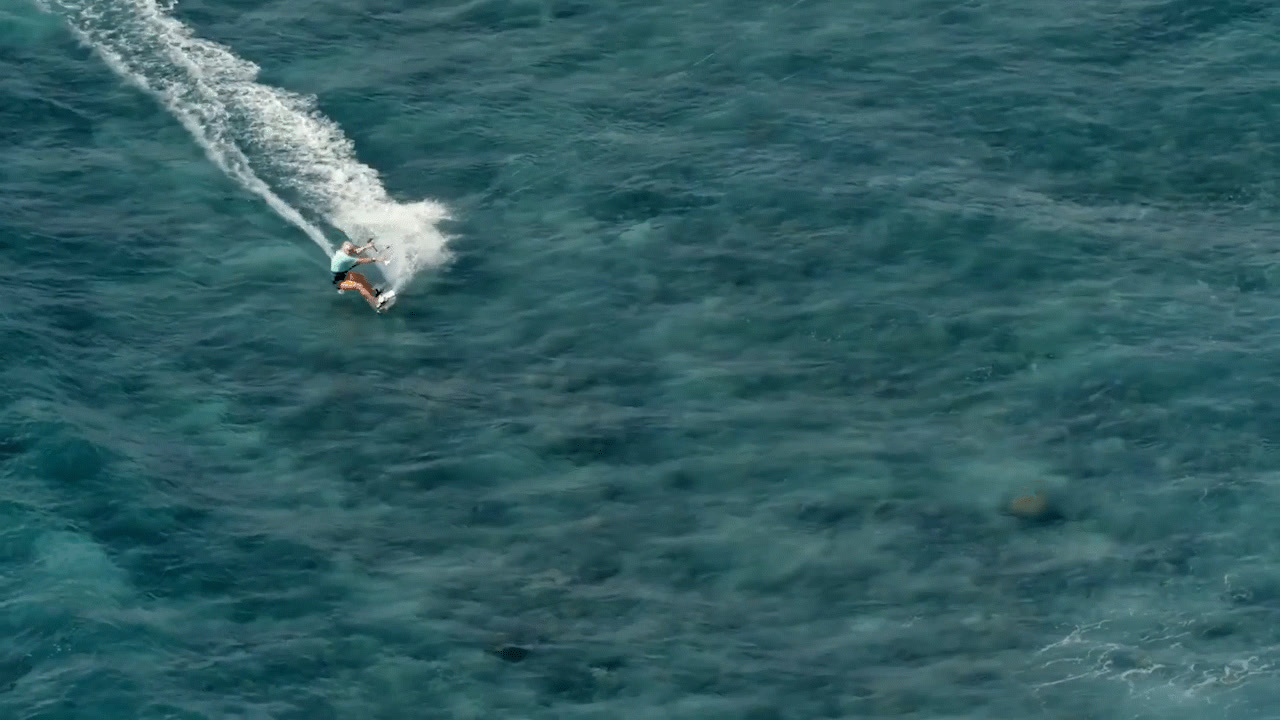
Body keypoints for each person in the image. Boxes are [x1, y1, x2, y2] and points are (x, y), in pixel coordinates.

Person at [330, 241, 389, 310]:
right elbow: (363, 260)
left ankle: (374, 292)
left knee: (360, 277)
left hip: (344, 275)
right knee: (359, 286)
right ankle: (376, 302)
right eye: (349, 251)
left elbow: (356, 251)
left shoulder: (341, 251)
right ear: (345, 249)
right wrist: (378, 259)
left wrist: (367, 247)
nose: (350, 252)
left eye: (351, 250)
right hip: (339, 283)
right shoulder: (345, 258)